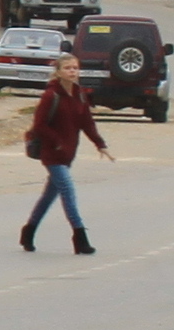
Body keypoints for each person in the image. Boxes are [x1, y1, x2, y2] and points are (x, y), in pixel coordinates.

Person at [21, 61, 111, 255]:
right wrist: (57, 141)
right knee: (68, 190)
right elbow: (39, 125)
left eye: (75, 68)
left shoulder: (79, 95)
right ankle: (80, 238)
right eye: (68, 68)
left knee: (48, 197)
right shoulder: (50, 96)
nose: (72, 71)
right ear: (59, 72)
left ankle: (28, 231)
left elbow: (87, 122)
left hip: (68, 153)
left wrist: (100, 144)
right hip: (52, 153)